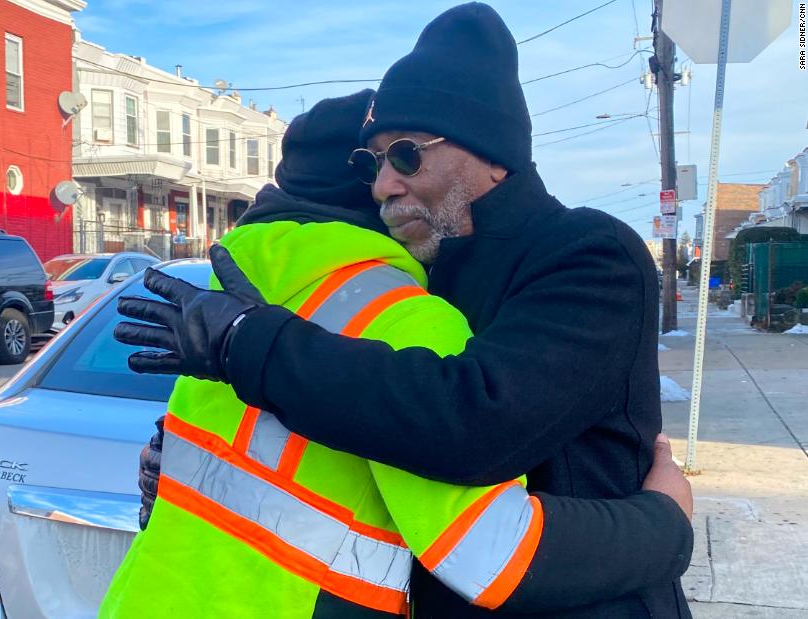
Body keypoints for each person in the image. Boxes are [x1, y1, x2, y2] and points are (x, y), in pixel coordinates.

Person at [114, 4, 692, 618]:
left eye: (407, 154)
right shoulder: (420, 275)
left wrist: (249, 345)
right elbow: (361, 423)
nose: (384, 184)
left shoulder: (589, 255)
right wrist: (178, 447)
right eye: (374, 162)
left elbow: (475, 421)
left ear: (493, 154)